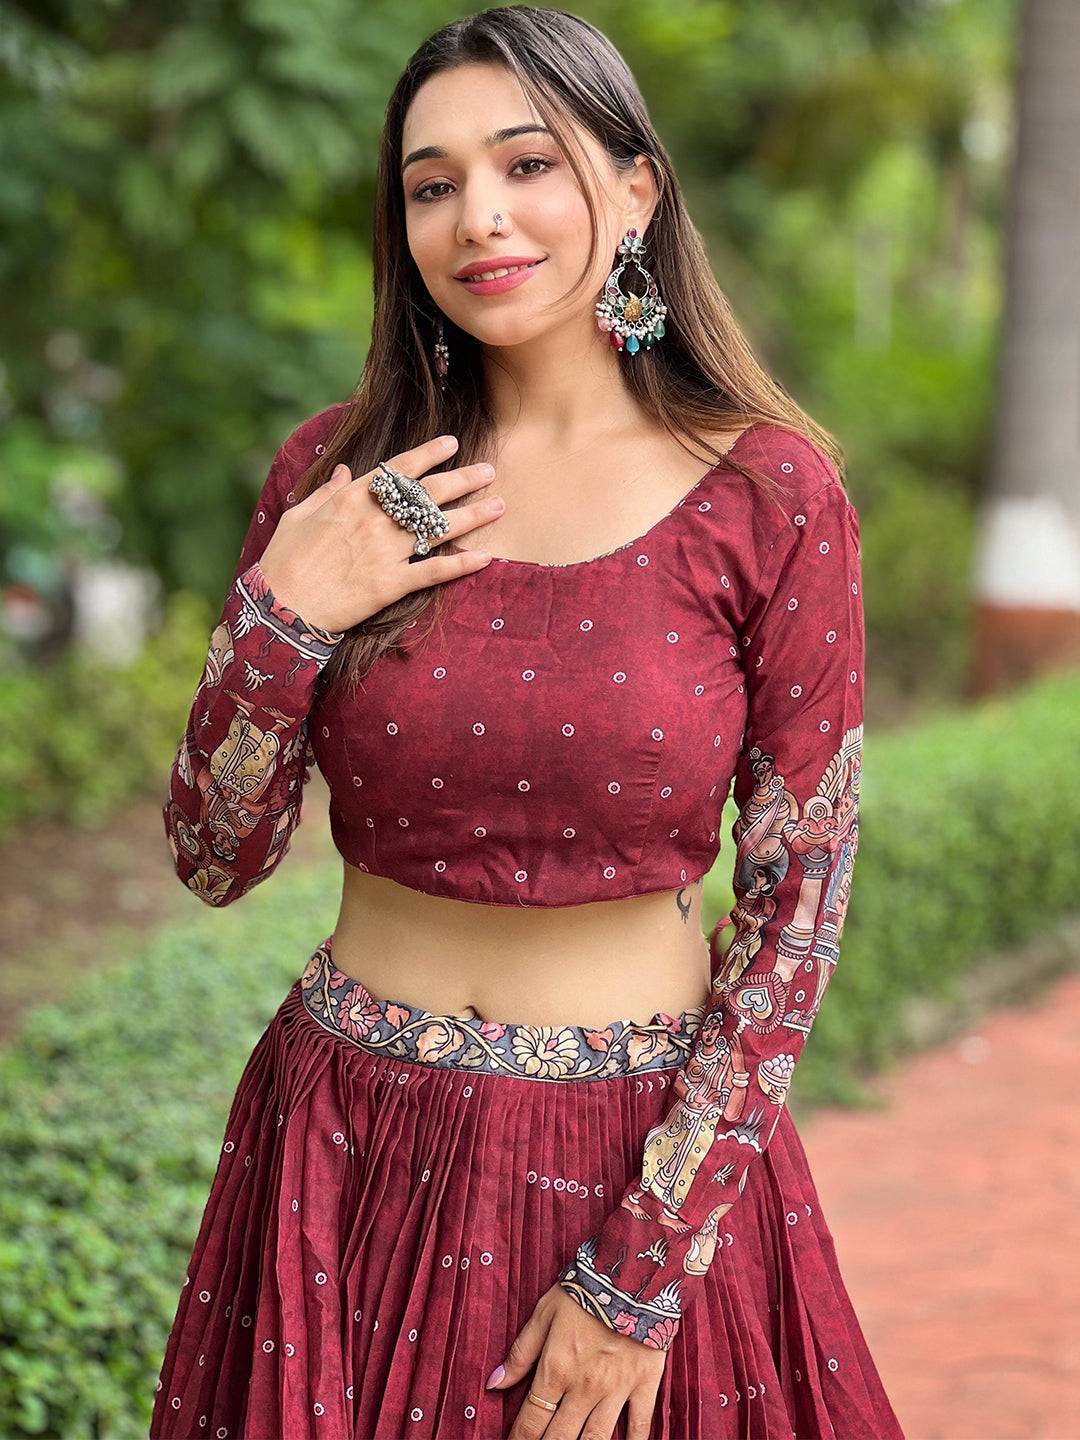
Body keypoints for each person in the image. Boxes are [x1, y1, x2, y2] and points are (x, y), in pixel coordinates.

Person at [150, 7, 905, 1439]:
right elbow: (212, 855)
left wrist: (641, 1277)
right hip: (340, 1141)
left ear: (635, 191)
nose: (478, 217)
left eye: (528, 164)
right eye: (431, 184)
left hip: (627, 1162)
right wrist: (285, 614)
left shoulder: (768, 495)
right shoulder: (341, 480)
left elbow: (797, 915)